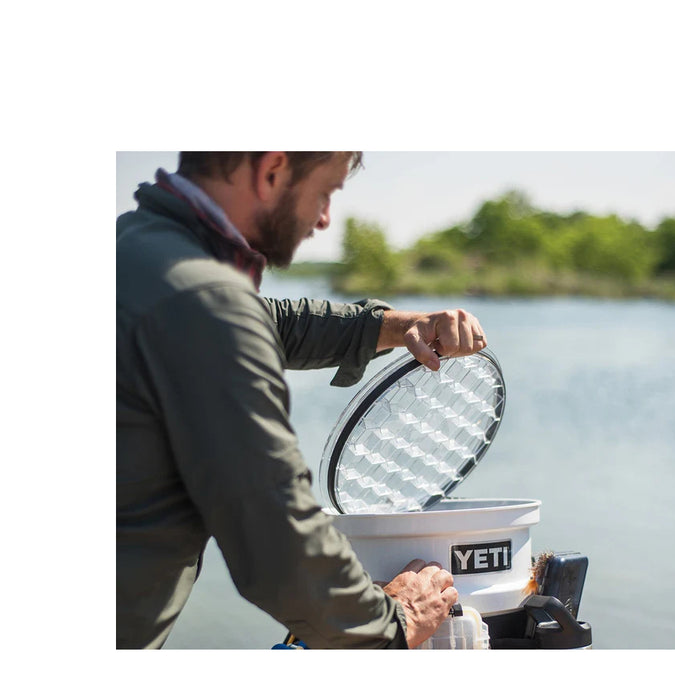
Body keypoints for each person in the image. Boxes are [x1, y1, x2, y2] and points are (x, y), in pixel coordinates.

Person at [117, 151, 488, 649]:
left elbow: (266, 319)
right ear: (272, 170)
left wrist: (394, 327)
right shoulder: (204, 302)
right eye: (325, 191)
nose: (324, 218)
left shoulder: (136, 249)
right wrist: (392, 625)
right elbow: (276, 539)